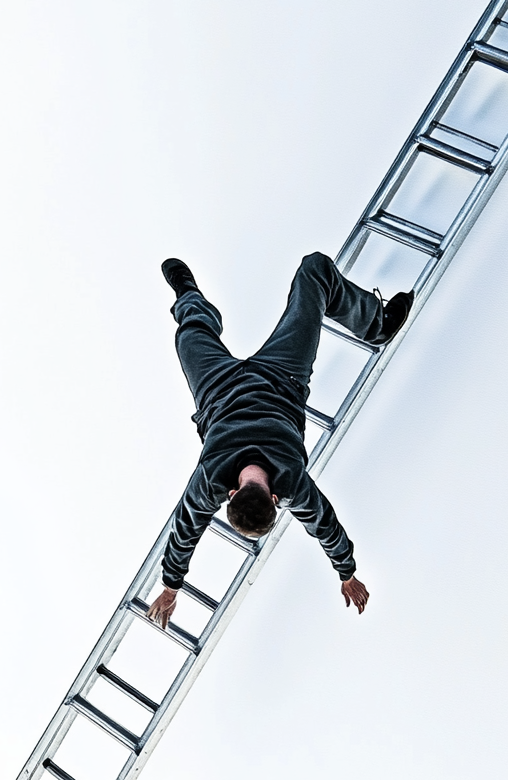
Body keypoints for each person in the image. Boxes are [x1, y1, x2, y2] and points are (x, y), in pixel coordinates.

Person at [145, 252, 413, 629]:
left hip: (235, 387)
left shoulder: (293, 487)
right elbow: (185, 529)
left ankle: (376, 323)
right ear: (234, 496)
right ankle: (375, 324)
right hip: (262, 379)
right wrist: (171, 588)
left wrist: (347, 574)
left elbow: (326, 525)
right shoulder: (211, 484)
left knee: (314, 272)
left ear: (272, 500)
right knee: (190, 332)